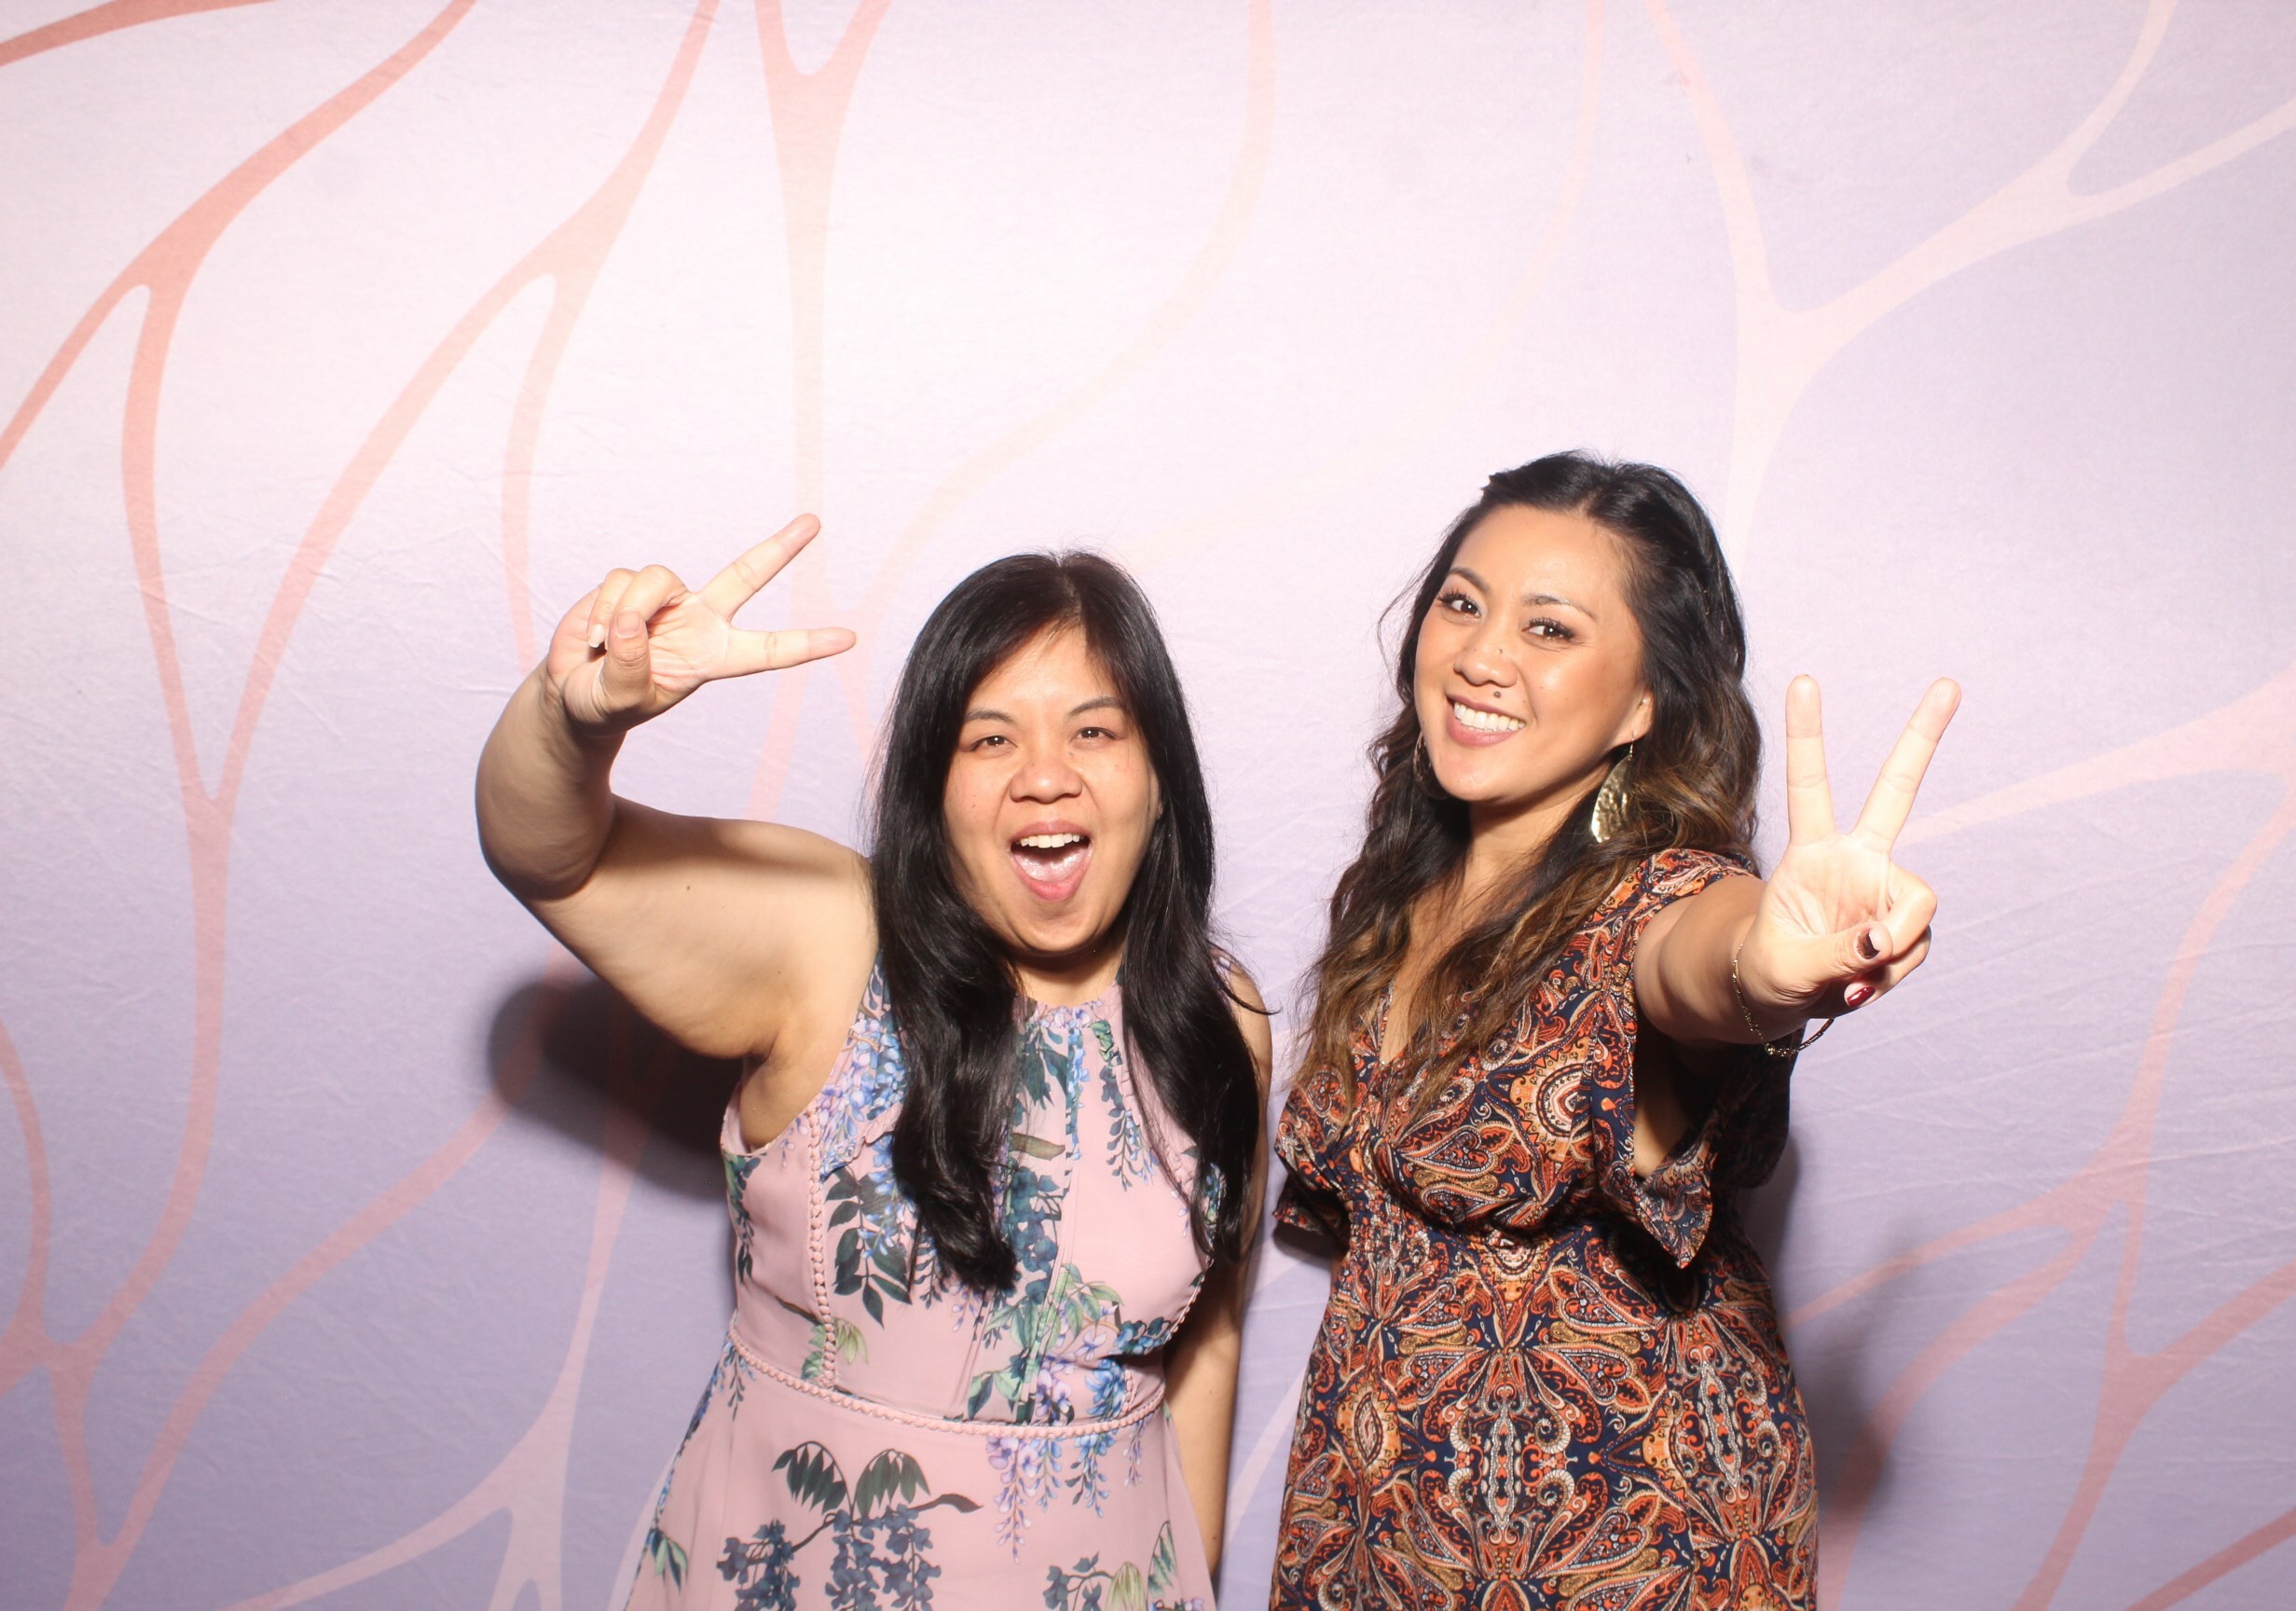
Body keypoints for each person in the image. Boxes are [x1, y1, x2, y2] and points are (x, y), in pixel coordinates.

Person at [474, 517, 1269, 1611]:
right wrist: (574, 721)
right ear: (930, 790)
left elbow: (1209, 1348)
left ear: (1159, 776)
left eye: (1094, 731)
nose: (1046, 777)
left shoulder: (1220, 1016)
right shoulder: (837, 946)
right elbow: (550, 857)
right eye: (989, 741)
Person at [1268, 454, 1959, 1609]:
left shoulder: (1651, 901)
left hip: (1625, 1556)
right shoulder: (1398, 902)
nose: (1482, 654)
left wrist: (1767, 970)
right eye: (1463, 603)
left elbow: (1700, 961)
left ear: (1644, 705)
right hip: (1375, 1536)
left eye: (1550, 628)